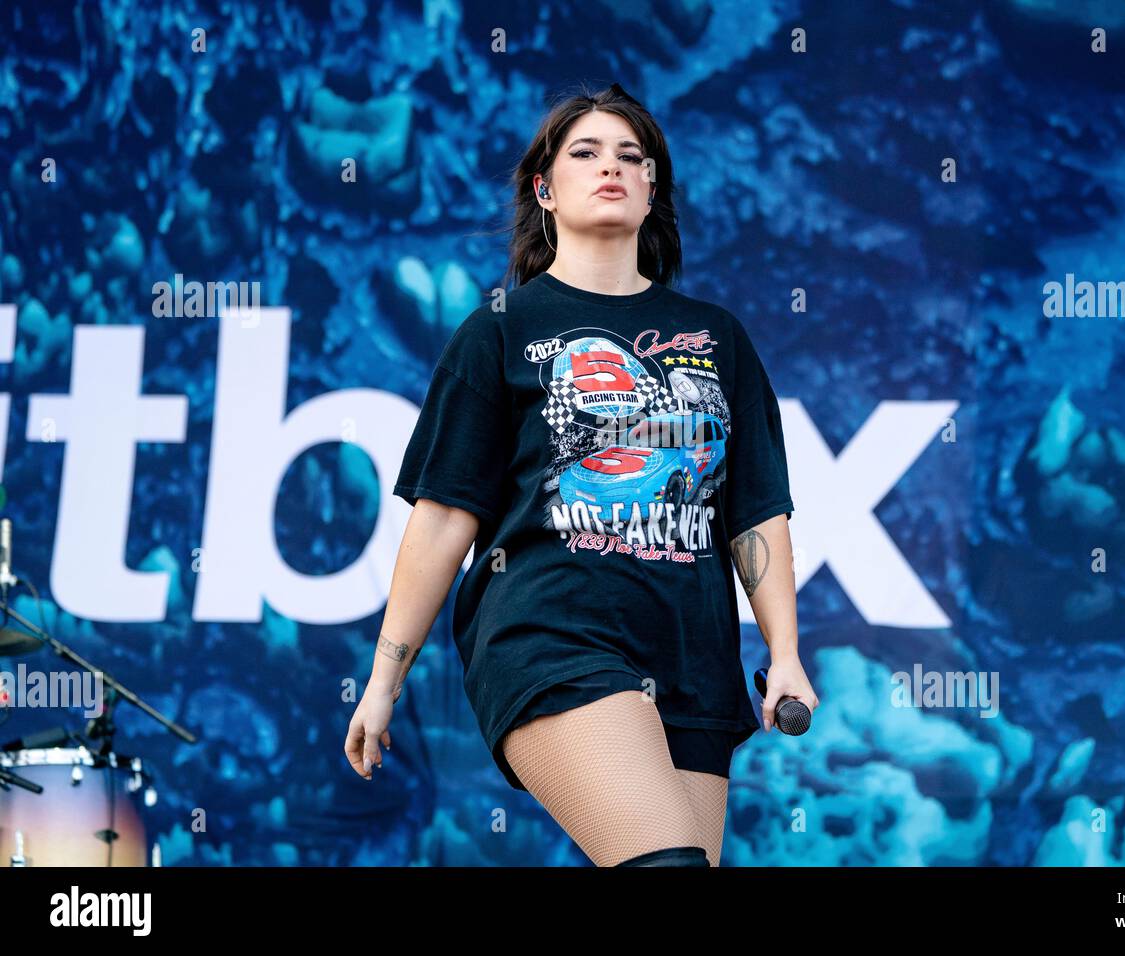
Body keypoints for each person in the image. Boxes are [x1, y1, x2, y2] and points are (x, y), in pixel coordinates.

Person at [344, 82, 818, 867]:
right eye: (587, 153)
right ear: (545, 188)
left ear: (652, 188)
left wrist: (787, 651)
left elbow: (755, 516)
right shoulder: (500, 330)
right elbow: (442, 521)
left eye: (633, 157)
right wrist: (383, 679)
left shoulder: (717, 337)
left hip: (692, 658)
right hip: (550, 637)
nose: (613, 168)